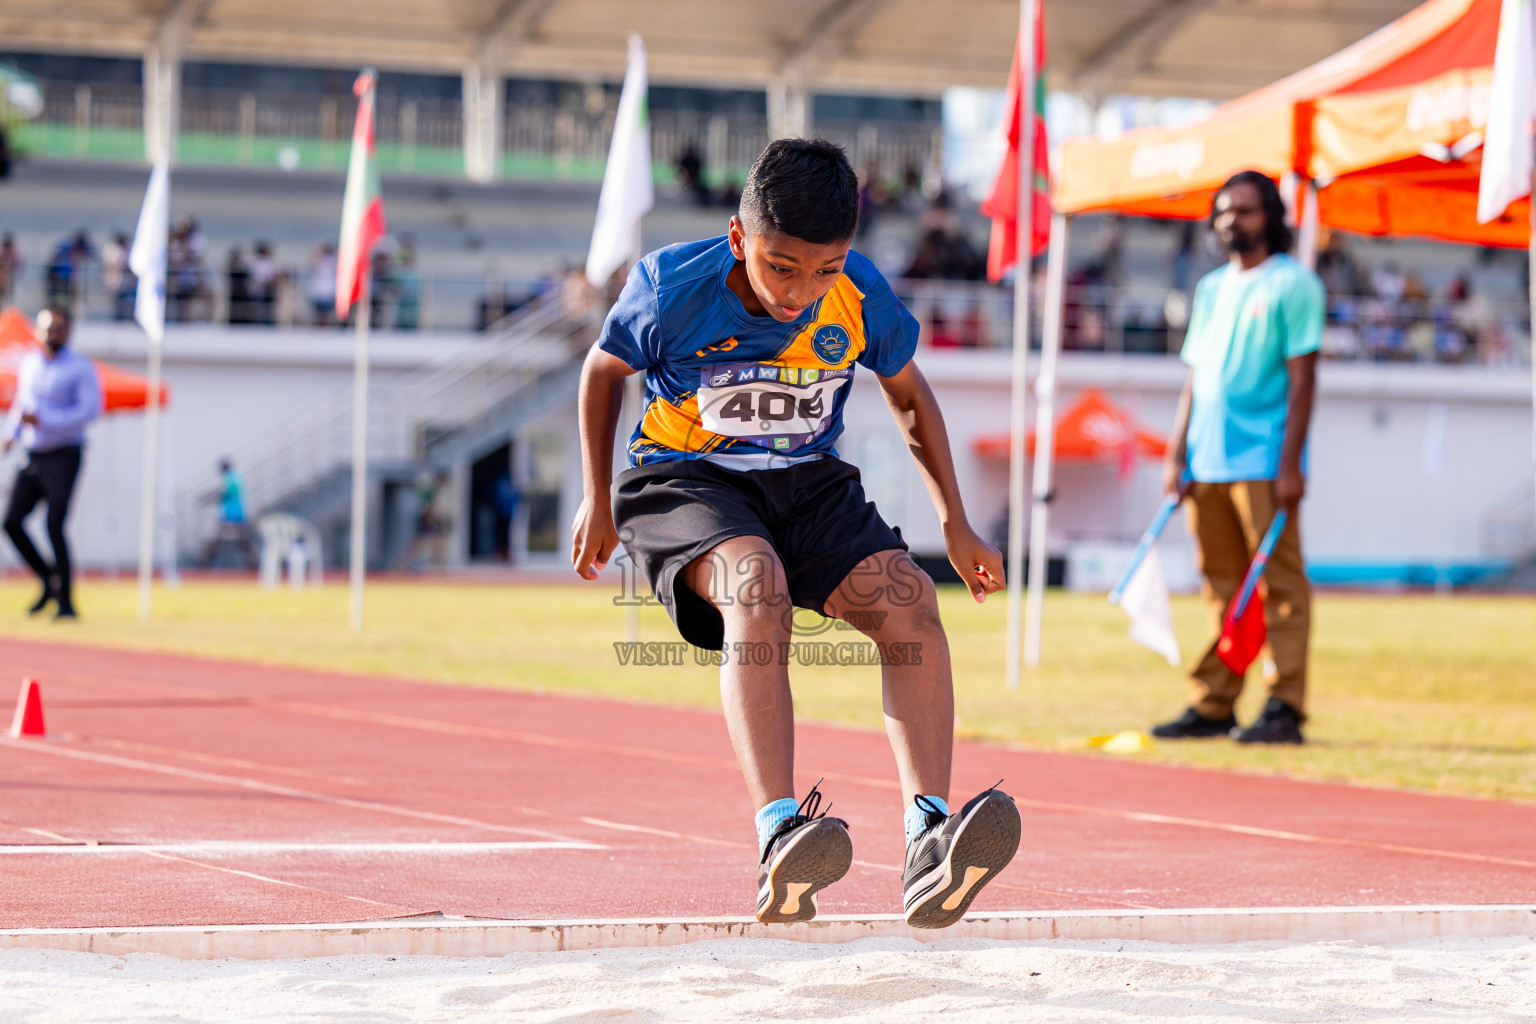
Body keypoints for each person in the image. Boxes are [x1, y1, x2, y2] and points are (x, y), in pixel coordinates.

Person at [571, 139, 1021, 929]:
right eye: (781, 267)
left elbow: (908, 395)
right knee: (758, 587)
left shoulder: (858, 290)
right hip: (683, 477)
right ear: (741, 240)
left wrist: (955, 523)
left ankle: (928, 838)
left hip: (808, 480)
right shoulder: (670, 285)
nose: (801, 292)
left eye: (824, 269)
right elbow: (603, 371)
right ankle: (780, 833)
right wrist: (595, 498)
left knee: (911, 603)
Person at [1153, 170, 1321, 746]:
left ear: (1270, 217)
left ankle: (1285, 703)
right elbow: (1195, 381)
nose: (1232, 220)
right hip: (1207, 463)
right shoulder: (1211, 288)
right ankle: (1216, 701)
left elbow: (1303, 383)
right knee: (1222, 588)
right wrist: (1176, 456)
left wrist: (1292, 465)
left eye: (1245, 211)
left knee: (1279, 585)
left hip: (1266, 462)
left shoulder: (1294, 284)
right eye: (1224, 211)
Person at [2, 307, 102, 620]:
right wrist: (11, 434)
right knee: (11, 522)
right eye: (47, 328)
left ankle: (66, 603)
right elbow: (22, 404)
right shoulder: (30, 363)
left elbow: (89, 411)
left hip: (64, 455)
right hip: (33, 455)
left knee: (54, 526)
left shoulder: (80, 367)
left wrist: (46, 420)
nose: (51, 334)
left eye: (58, 328)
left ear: (68, 332)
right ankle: (48, 581)